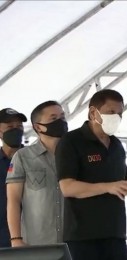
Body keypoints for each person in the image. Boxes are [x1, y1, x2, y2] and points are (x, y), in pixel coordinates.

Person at [56, 89, 127, 260]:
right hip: (82, 237)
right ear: (93, 113)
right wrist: (108, 187)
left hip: (115, 234)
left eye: (120, 113)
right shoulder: (71, 141)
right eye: (111, 112)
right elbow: (67, 187)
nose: (117, 117)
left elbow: (124, 187)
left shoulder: (116, 145)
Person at [6, 101, 68, 246]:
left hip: (72, 241)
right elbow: (14, 200)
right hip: (36, 242)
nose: (60, 121)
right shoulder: (23, 156)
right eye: (53, 118)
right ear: (38, 127)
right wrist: (16, 239)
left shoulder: (75, 154)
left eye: (63, 117)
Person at [0, 108, 27, 247]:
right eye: (10, 127)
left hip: (30, 233)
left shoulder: (32, 158)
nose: (16, 130)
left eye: (19, 126)